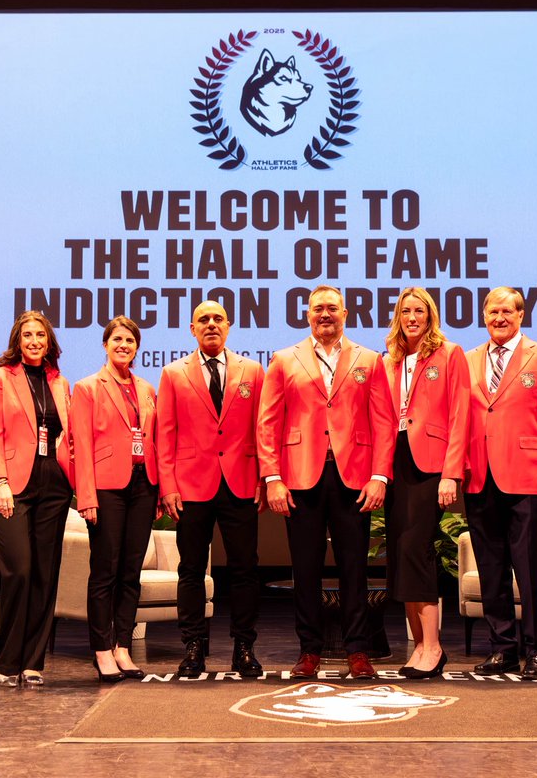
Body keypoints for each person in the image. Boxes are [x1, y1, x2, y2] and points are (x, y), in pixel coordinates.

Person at [257, 285, 396, 679]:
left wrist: (379, 476)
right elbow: (267, 423)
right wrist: (272, 478)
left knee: (355, 567)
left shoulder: (370, 359)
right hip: (300, 477)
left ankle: (357, 651)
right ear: (307, 314)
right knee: (305, 568)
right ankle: (309, 651)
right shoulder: (284, 360)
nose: (325, 314)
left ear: (345, 313)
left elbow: (384, 422)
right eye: (318, 308)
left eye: (332, 308)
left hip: (354, 476)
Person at [464, 287, 537, 680]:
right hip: (479, 476)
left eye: (506, 312)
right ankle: (502, 649)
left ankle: (535, 650)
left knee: (529, 569)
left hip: (527, 476)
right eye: (492, 311)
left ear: (520, 315)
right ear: (483, 315)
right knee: (491, 568)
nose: (499, 318)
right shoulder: (468, 360)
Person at [157, 301, 265, 677]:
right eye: (204, 319)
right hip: (190, 486)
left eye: (218, 319)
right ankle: (192, 647)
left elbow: (261, 430)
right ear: (192, 328)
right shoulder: (173, 374)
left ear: (229, 326)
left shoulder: (253, 370)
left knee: (245, 570)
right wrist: (167, 485)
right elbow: (165, 432)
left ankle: (244, 648)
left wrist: (264, 478)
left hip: (240, 483)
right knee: (190, 569)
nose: (211, 324)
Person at [0, 310, 74, 687]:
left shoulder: (59, 381)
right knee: (17, 570)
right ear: (17, 341)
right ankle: (8, 661)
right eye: (28, 335)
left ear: (49, 342)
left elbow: (66, 435)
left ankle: (33, 663)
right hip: (14, 484)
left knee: (44, 574)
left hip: (53, 482)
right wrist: (0, 480)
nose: (35, 341)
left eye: (41, 335)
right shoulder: (1, 378)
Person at [382, 288, 470, 679]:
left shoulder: (449, 354)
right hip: (395, 461)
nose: (412, 317)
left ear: (430, 315)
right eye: (405, 311)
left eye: (419, 310)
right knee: (401, 553)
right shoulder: (390, 360)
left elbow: (460, 413)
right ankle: (418, 646)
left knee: (417, 550)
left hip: (431, 464)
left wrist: (451, 472)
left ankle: (433, 646)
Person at [70, 316, 159, 683]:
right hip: (106, 487)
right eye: (117, 339)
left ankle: (123, 645)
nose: (124, 345)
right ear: (105, 345)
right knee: (105, 570)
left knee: (131, 571)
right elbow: (81, 446)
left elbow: (153, 441)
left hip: (143, 485)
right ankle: (102, 650)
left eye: (130, 341)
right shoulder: (88, 387)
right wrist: (86, 496)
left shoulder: (146, 388)